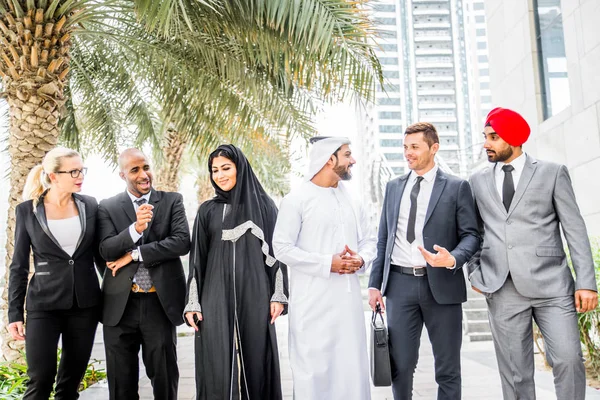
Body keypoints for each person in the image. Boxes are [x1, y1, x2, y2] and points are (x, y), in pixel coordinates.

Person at [468, 107, 598, 400]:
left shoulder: (552, 172)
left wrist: (586, 283)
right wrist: (475, 271)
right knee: (516, 371)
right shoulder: (476, 180)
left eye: (493, 137)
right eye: (485, 137)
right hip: (502, 287)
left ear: (513, 139)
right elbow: (472, 231)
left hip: (552, 286)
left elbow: (574, 229)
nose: (486, 143)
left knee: (568, 359)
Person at [368, 122, 480, 400]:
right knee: (401, 366)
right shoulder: (394, 187)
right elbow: (384, 238)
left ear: (434, 148)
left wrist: (453, 258)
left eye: (415, 147)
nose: (408, 153)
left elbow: (471, 236)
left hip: (442, 285)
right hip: (399, 285)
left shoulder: (457, 187)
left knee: (448, 368)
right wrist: (374, 285)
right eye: (405, 147)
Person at [272, 136, 376, 400]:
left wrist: (361, 258)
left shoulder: (353, 200)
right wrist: (327, 263)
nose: (353, 160)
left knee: (352, 373)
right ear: (330, 159)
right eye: (347, 154)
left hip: (349, 308)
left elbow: (370, 240)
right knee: (314, 375)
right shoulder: (297, 199)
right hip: (312, 306)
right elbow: (281, 248)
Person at [184, 144, 288, 400]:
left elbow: (277, 256)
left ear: (240, 168)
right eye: (214, 170)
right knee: (216, 361)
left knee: (258, 358)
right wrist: (193, 302)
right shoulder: (207, 210)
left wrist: (278, 295)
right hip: (214, 296)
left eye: (226, 168)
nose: (220, 175)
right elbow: (197, 258)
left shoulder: (264, 206)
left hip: (255, 294)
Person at [8, 147, 103, 400]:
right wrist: (14, 313)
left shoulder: (90, 205)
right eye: (73, 171)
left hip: (85, 305)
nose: (79, 175)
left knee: (70, 383)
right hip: (43, 305)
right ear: (53, 176)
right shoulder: (28, 210)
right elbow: (18, 265)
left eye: (81, 170)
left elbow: (100, 255)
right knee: (40, 378)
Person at [97, 148, 190, 400]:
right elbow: (105, 248)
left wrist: (135, 253)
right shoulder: (107, 207)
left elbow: (182, 242)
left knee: (164, 377)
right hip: (119, 307)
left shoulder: (171, 201)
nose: (143, 174)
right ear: (122, 175)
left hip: (159, 304)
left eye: (146, 167)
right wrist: (135, 230)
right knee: (121, 383)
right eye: (135, 169)